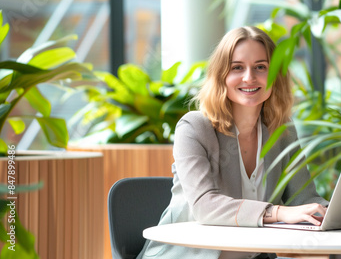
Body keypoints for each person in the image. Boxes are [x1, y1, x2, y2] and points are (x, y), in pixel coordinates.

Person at [138, 26, 329, 259]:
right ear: (221, 76)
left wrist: (335, 211)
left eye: (261, 67)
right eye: (237, 67)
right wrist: (277, 212)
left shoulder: (282, 131)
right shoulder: (193, 128)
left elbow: (304, 198)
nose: (249, 77)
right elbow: (205, 206)